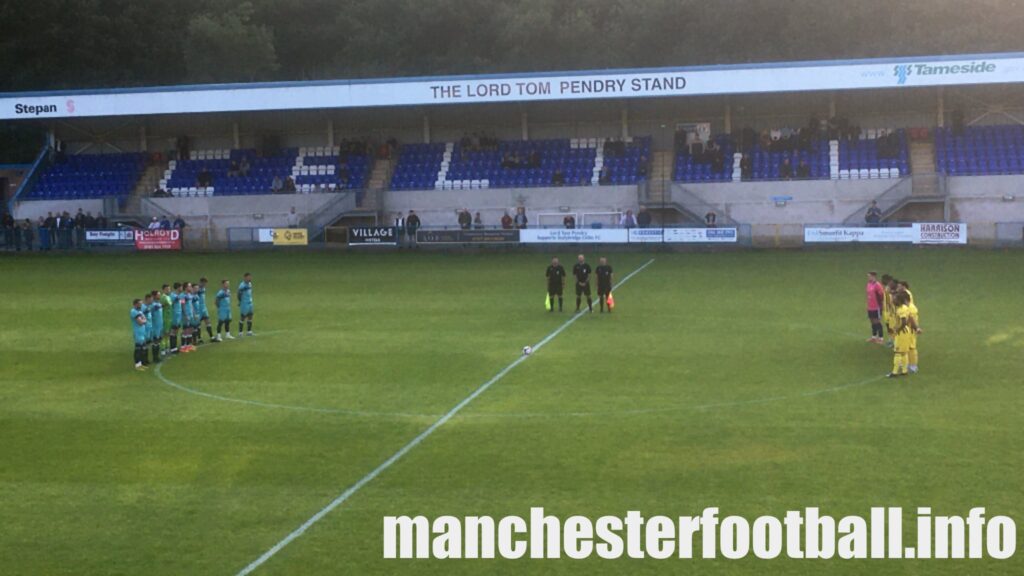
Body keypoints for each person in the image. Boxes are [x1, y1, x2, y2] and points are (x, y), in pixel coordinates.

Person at [888, 291, 914, 378]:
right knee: (904, 353)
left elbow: (903, 322)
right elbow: (909, 318)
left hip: (902, 332)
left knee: (897, 352)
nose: (893, 300)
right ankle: (904, 371)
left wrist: (897, 330)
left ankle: (894, 372)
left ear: (899, 300)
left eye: (895, 299)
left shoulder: (900, 310)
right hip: (907, 331)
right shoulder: (905, 307)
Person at [899, 280, 921, 373]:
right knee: (907, 347)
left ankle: (913, 366)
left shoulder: (911, 308)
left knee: (912, 347)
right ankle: (907, 363)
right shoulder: (909, 307)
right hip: (908, 330)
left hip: (911, 331)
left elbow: (912, 320)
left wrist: (916, 328)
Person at [865, 272, 886, 344]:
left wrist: (881, 305)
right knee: (872, 321)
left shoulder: (877, 285)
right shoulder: (868, 284)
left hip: (876, 307)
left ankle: (881, 338)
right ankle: (874, 337)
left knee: (877, 321)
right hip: (870, 307)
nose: (868, 278)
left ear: (874, 276)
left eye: (869, 276)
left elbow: (881, 295)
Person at [131, 299, 149, 371]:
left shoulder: (140, 311)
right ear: (135, 304)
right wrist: (143, 320)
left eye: (141, 304)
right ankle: (137, 365)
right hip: (138, 332)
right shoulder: (133, 311)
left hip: (142, 332)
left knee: (142, 349)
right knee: (138, 349)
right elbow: (140, 322)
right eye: (139, 304)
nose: (141, 305)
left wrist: (143, 320)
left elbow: (145, 319)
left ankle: (141, 364)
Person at [197, 278, 215, 344]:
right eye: (204, 283)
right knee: (198, 324)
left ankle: (212, 337)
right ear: (201, 282)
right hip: (198, 309)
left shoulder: (203, 289)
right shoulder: (197, 289)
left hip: (204, 308)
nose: (205, 285)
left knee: (208, 322)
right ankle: (199, 339)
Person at [238, 273, 255, 337]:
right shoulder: (242, 285)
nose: (250, 278)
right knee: (243, 317)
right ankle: (240, 333)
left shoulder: (250, 284)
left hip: (250, 302)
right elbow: (238, 294)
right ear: (245, 278)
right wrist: (240, 301)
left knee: (250, 316)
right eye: (248, 277)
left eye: (250, 277)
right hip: (244, 303)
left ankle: (249, 332)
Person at [149, 290, 163, 364]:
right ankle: (155, 357)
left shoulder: (159, 304)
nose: (159, 296)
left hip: (160, 325)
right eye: (158, 295)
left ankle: (157, 356)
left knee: (158, 341)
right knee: (155, 341)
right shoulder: (153, 305)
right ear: (154, 296)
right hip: (155, 326)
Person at [169, 282, 184, 354]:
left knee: (176, 331)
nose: (182, 288)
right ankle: (172, 348)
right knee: (173, 331)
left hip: (179, 315)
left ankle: (174, 347)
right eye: (181, 287)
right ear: (178, 288)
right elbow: (170, 305)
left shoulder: (180, 295)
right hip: (174, 315)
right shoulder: (173, 295)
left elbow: (182, 303)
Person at [160, 284, 173, 353]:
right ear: (163, 290)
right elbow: (161, 306)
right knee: (164, 333)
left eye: (169, 289)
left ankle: (167, 347)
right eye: (167, 289)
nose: (169, 290)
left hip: (169, 317)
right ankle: (163, 349)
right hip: (164, 318)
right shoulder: (163, 297)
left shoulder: (168, 297)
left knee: (168, 333)